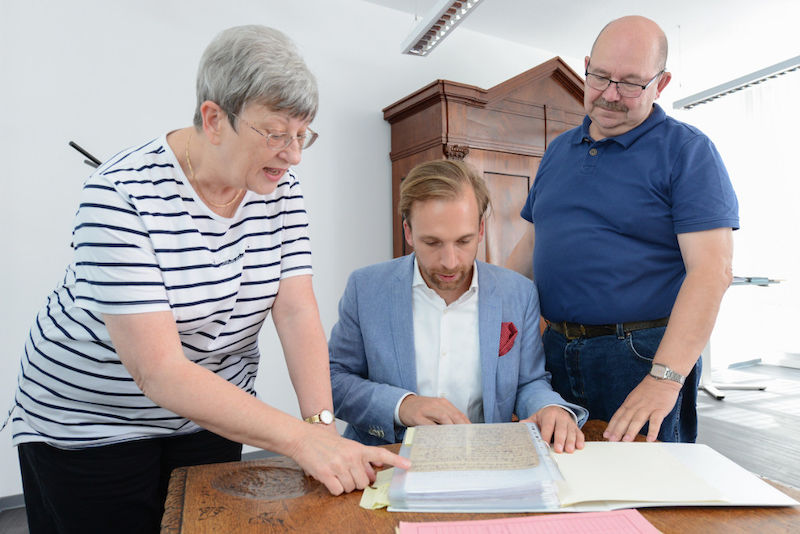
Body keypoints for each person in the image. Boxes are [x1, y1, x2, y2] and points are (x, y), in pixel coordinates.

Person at [4, 25, 408, 534]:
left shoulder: (280, 192)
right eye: (276, 134)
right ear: (214, 119)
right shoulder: (119, 194)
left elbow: (295, 310)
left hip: (211, 408)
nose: (294, 155)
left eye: (302, 134)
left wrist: (320, 427)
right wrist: (300, 440)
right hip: (92, 419)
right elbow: (159, 371)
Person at [506, 15, 738, 443]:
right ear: (586, 67)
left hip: (640, 358)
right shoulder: (557, 151)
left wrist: (664, 379)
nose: (610, 94)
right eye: (600, 77)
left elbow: (712, 272)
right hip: (553, 352)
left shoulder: (688, 152)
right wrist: (484, 312)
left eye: (630, 83)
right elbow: (531, 248)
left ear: (661, 84)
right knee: (558, 475)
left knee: (647, 481)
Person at [329, 160, 588, 453]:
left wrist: (549, 407)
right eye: (432, 243)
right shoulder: (365, 288)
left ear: (480, 230)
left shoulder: (518, 293)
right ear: (408, 232)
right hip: (386, 457)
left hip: (483, 459)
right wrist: (402, 406)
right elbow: (334, 380)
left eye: (463, 241)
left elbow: (529, 382)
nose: (450, 262)